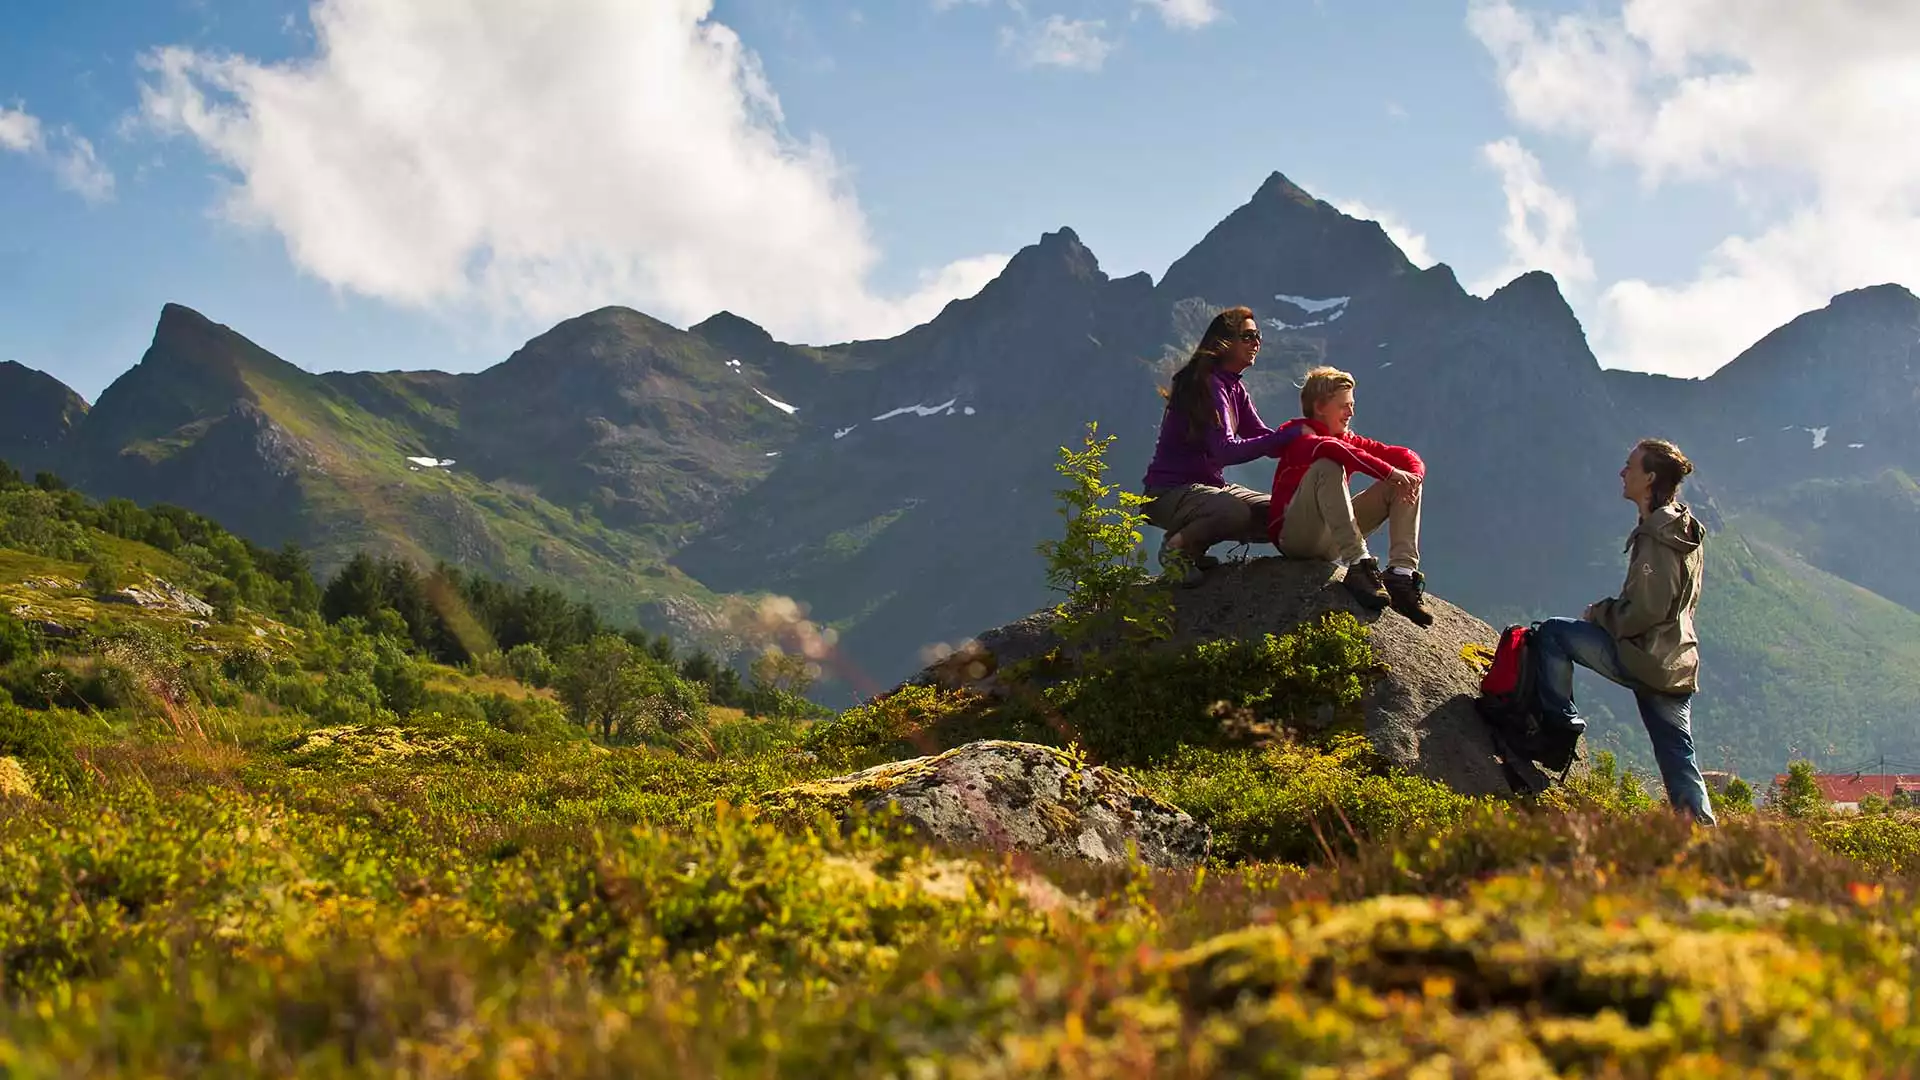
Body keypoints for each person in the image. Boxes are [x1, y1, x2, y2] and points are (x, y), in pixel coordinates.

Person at [1531, 438, 1716, 826]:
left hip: (1644, 655)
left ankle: (1558, 731)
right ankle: (1703, 832)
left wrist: (1600, 613)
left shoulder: (1657, 537)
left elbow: (1646, 611)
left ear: (1649, 478)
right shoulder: (1681, 527)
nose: (1622, 472)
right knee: (1677, 754)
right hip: (1676, 660)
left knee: (1552, 634)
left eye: (1630, 466)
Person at [1140, 306, 1307, 586]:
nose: (1257, 342)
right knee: (1232, 512)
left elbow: (1266, 439)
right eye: (1249, 336)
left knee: (1282, 512)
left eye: (1259, 336)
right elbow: (1226, 450)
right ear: (1225, 341)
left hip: (1209, 489)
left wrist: (1312, 439)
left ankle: (1194, 547)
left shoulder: (1234, 388)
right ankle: (1176, 549)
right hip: (1168, 492)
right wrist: (1287, 436)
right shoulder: (1206, 385)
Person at [1266, 365, 1432, 626]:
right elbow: (1333, 449)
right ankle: (1358, 563)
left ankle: (1401, 574)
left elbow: (1405, 456)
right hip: (1296, 538)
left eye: (1352, 405)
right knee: (1328, 465)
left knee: (1405, 481)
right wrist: (1390, 472)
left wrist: (1411, 478)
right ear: (1320, 406)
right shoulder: (1302, 437)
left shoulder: (1347, 440)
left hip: (1329, 539)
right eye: (1344, 405)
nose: (1351, 412)